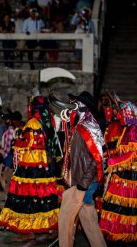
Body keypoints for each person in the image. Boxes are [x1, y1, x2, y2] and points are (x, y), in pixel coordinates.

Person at [0, 96, 61, 242]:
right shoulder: (46, 123)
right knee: (44, 199)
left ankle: (29, 232)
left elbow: (26, 144)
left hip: (29, 168)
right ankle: (52, 227)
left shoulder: (32, 123)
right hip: (43, 167)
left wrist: (18, 137)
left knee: (27, 199)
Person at [58, 91, 107, 247]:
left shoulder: (89, 127)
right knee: (88, 218)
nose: (73, 108)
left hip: (85, 182)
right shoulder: (79, 126)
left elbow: (97, 158)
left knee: (65, 216)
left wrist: (84, 183)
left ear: (84, 108)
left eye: (76, 105)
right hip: (82, 180)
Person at [99, 93, 137, 242]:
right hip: (122, 172)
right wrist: (109, 156)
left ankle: (125, 233)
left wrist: (113, 162)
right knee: (115, 204)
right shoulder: (127, 129)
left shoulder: (133, 130)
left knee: (124, 205)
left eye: (120, 113)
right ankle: (115, 232)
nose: (117, 115)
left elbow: (132, 155)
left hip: (130, 174)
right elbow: (121, 150)